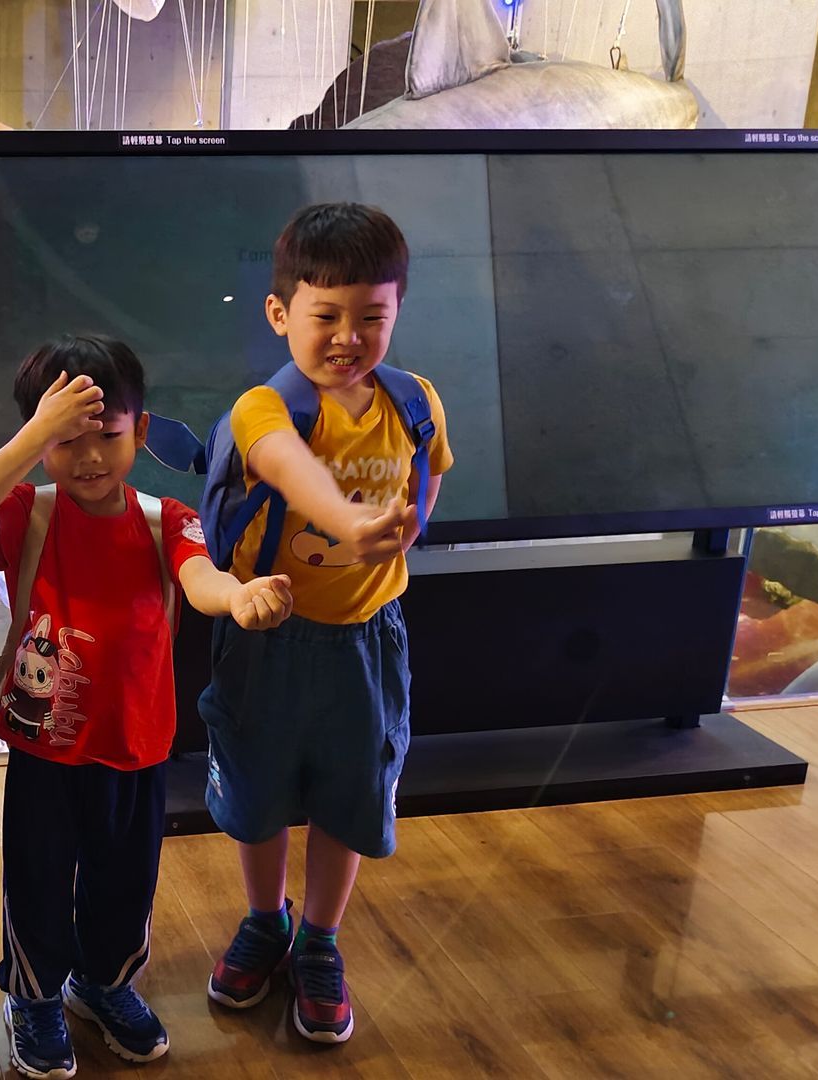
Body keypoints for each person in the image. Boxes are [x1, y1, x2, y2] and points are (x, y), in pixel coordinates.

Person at [0, 334, 294, 1079]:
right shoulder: (29, 512)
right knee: (37, 876)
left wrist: (240, 597)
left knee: (125, 879)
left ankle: (103, 984)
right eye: (65, 440)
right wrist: (33, 435)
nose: (89, 457)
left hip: (136, 742)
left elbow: (201, 578)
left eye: (106, 434)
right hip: (43, 745)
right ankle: (35, 997)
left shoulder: (166, 518)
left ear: (141, 430)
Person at [200, 203, 454, 1043]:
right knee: (258, 790)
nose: (349, 337)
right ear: (280, 313)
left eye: (371, 317)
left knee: (352, 794)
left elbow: (429, 472)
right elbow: (285, 466)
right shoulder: (262, 407)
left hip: (366, 641)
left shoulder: (415, 401)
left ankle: (318, 940)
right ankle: (264, 919)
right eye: (327, 316)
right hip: (266, 640)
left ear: (397, 312)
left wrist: (406, 528)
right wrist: (349, 522)